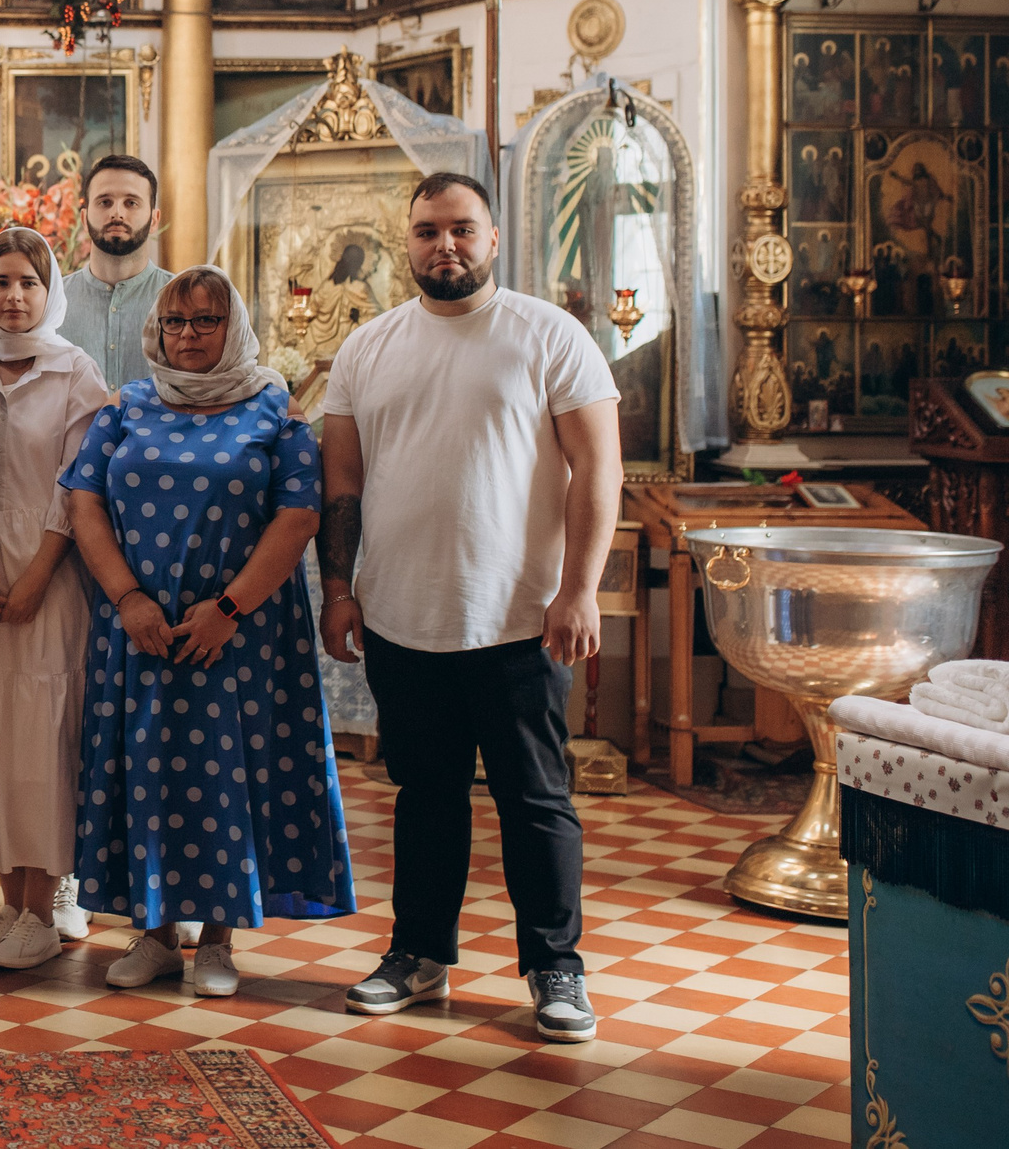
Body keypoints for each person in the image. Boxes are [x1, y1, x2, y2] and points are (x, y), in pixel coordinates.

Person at [319, 173, 619, 1043]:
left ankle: (556, 968)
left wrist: (579, 589)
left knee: (535, 799)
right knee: (425, 795)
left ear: (492, 238)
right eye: (425, 231)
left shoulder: (548, 335)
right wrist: (339, 588)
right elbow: (342, 483)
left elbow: (598, 472)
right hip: (404, 615)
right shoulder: (368, 347)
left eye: (460, 229)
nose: (443, 245)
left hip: (521, 617)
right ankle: (418, 953)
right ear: (404, 241)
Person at [61, 267, 351, 995]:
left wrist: (227, 611)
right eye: (174, 324)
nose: (187, 336)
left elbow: (299, 517)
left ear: (235, 329)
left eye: (205, 322)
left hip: (239, 635)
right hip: (141, 630)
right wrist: (127, 598)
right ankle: (154, 936)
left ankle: (218, 942)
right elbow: (84, 502)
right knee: (145, 770)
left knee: (230, 777)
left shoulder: (273, 410)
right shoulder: (127, 406)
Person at [0, 228, 110, 972]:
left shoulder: (76, 372)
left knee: (43, 742)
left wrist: (40, 572)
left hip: (52, 579)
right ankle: (9, 904)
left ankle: (46, 911)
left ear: (51, 293)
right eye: (2, 281)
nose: (14, 297)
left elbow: (79, 484)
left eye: (29, 284)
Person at [60, 154, 171, 391]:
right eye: (104, 202)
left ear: (154, 219)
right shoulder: (52, 301)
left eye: (131, 202)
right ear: (84, 217)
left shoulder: (179, 299)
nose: (117, 213)